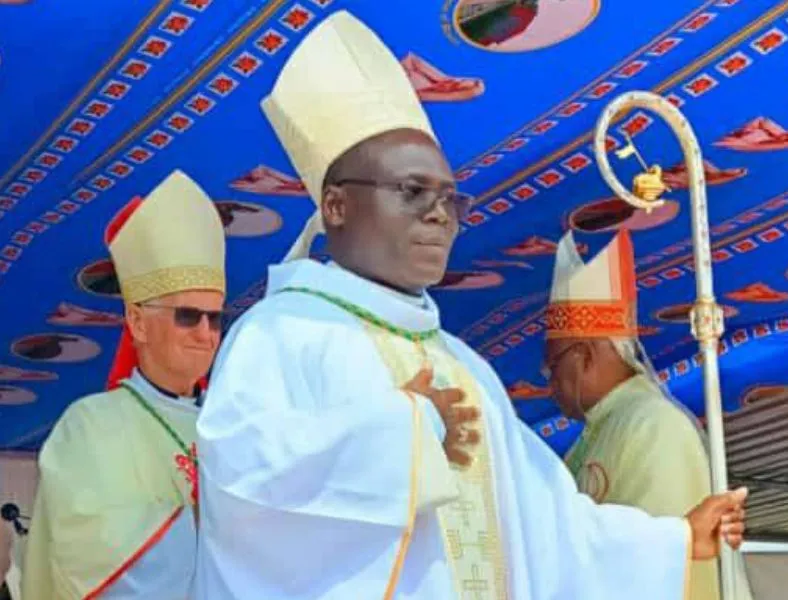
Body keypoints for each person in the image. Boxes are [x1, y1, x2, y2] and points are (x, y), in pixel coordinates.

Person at [194, 11, 748, 599]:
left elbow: (547, 523)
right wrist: (399, 433)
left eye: (448, 199)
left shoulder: (466, 368)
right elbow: (245, 489)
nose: (438, 214)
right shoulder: (281, 333)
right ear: (335, 206)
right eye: (411, 192)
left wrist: (672, 540)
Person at [21, 171, 226, 600]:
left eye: (215, 318)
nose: (205, 333)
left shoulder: (232, 421)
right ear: (137, 322)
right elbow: (100, 554)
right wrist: (235, 527)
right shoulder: (92, 425)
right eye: (188, 315)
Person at [545, 229, 755, 600]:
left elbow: (660, 563)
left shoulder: (653, 425)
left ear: (585, 356)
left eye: (553, 366)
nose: (550, 382)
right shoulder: (596, 433)